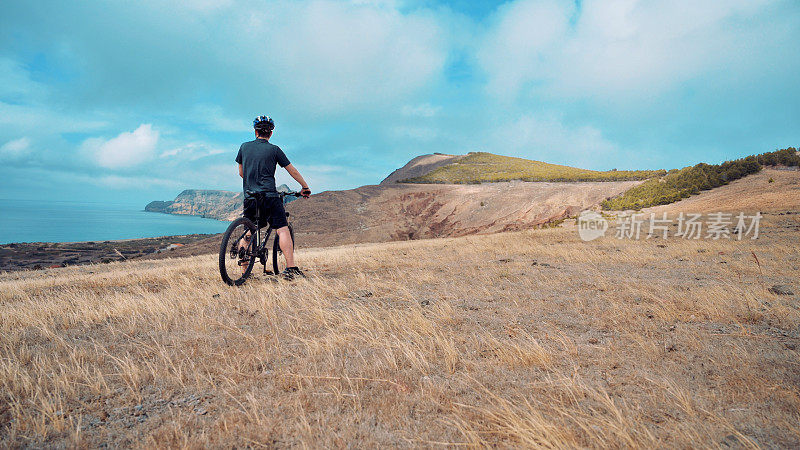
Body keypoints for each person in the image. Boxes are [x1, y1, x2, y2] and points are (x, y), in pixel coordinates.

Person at [236, 115, 311, 280]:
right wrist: (304, 187)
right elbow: (292, 171)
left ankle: (244, 274)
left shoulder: (244, 147)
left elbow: (241, 173)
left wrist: (252, 182)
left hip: (250, 197)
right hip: (269, 195)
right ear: (270, 133)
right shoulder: (275, 150)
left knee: (248, 232)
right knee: (282, 229)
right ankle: (291, 268)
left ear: (255, 131)